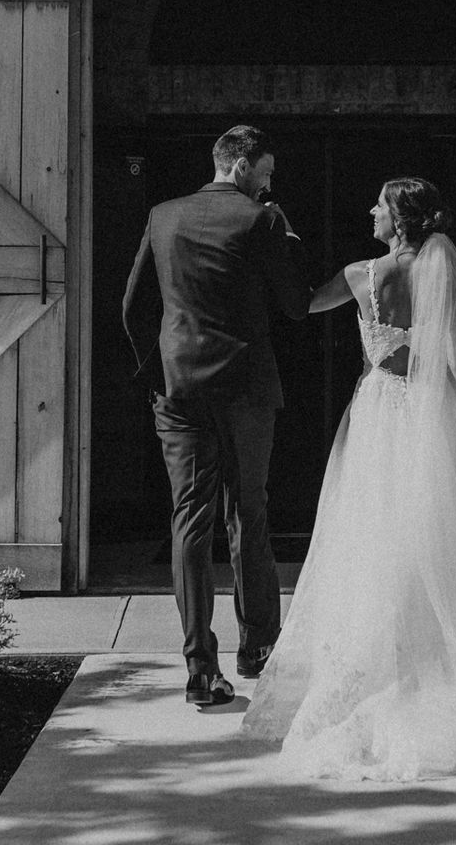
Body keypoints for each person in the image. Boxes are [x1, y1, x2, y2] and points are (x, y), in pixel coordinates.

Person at [240, 176, 456, 780]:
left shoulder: (363, 274)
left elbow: (303, 303)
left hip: (380, 414)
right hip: (431, 416)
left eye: (379, 206)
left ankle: (378, 664)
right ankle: (433, 659)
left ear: (400, 220)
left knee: (371, 536)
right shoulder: (441, 272)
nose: (369, 211)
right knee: (432, 536)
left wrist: (282, 237)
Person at [122, 125, 311, 707]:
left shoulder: (162, 214)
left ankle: (200, 669)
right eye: (267, 172)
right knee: (246, 513)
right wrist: (289, 234)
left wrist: (160, 373)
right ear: (243, 166)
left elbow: (133, 307)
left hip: (177, 389)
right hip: (245, 388)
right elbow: (296, 303)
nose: (270, 183)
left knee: (189, 520)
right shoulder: (262, 219)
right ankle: (257, 648)